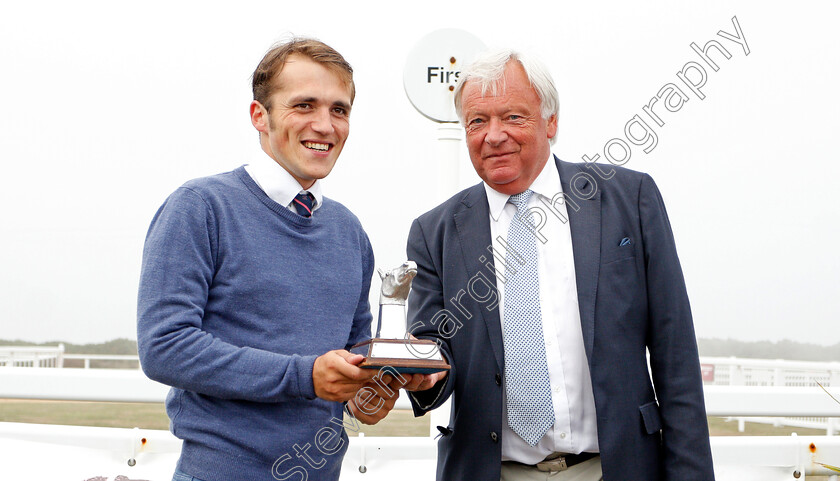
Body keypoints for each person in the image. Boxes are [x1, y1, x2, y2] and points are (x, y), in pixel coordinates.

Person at [405, 50, 715, 481]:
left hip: (615, 467)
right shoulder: (433, 232)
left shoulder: (629, 200)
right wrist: (421, 371)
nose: (493, 135)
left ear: (550, 122)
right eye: (477, 121)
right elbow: (431, 347)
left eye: (513, 117)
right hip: (490, 471)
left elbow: (674, 352)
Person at [137, 38, 406, 481]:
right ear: (259, 116)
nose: (325, 125)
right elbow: (164, 346)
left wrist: (379, 386)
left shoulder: (349, 232)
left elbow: (353, 380)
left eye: (339, 110)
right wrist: (304, 376)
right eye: (304, 105)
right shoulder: (200, 207)